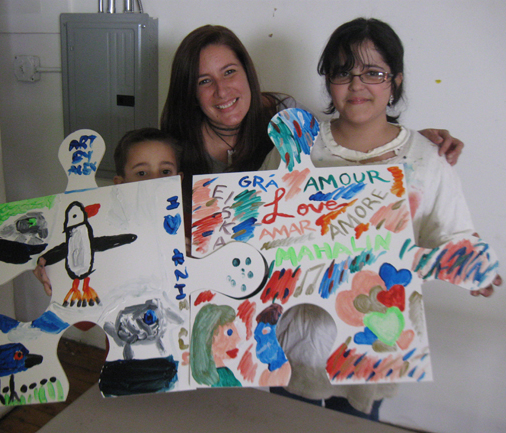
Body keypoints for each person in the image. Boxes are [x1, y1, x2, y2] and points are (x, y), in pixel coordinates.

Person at [264, 17, 501, 420]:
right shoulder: (295, 148)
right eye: (343, 72)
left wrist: (470, 266)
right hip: (297, 342)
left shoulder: (426, 159)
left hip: (374, 344)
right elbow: (258, 229)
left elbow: (453, 235)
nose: (357, 85)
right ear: (328, 81)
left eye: (373, 73)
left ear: (396, 81)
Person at [161, 23, 464, 189]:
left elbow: (349, 128)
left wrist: (410, 142)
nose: (222, 90)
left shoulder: (287, 118)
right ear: (189, 91)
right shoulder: (172, 147)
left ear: (247, 71)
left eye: (229, 72)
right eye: (204, 81)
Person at [34, 127, 182, 296]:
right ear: (120, 184)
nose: (155, 180)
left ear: (180, 178)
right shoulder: (106, 226)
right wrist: (53, 274)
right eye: (141, 173)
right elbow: (86, 320)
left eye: (165, 171)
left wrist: (191, 256)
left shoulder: (192, 227)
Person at [190, 303, 242, 387]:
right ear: (209, 338)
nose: (238, 338)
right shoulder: (218, 378)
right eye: (229, 332)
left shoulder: (225, 373)